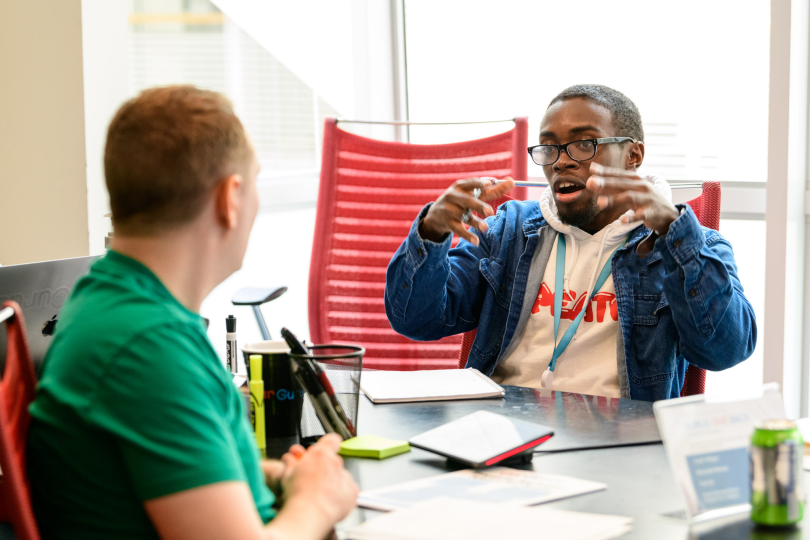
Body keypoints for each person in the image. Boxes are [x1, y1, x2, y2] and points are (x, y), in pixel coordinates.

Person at [27, 86, 358, 540]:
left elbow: (166, 467)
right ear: (230, 198)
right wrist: (316, 499)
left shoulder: (108, 301)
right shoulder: (148, 349)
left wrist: (279, 477)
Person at [384, 84, 756, 401]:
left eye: (583, 145)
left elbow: (725, 350)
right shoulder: (509, 231)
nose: (561, 162)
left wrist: (675, 234)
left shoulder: (695, 245)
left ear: (633, 156)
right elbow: (416, 320)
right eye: (549, 148)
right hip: (500, 434)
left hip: (618, 448)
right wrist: (431, 233)